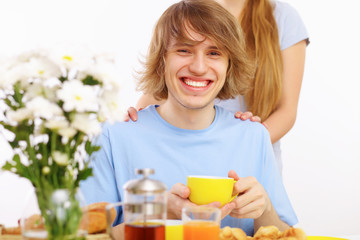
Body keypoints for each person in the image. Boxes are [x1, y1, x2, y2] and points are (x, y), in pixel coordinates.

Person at [80, 0, 297, 237]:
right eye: (184, 50)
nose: (199, 67)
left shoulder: (254, 136)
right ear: (162, 59)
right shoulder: (114, 136)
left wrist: (264, 209)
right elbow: (85, 236)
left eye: (214, 53)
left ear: (229, 65)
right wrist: (159, 212)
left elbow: (290, 234)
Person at [131, 0, 309, 173]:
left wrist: (247, 140)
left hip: (247, 163)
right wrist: (133, 123)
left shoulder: (284, 18)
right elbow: (162, 86)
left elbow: (286, 111)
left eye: (213, 53)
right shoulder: (190, 11)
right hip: (188, 160)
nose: (199, 67)